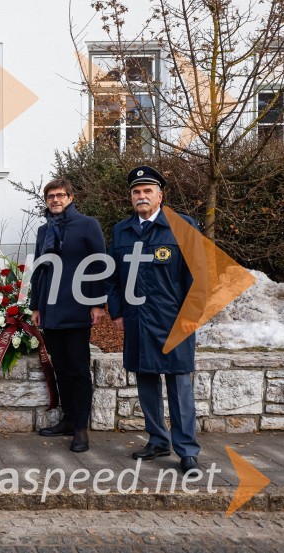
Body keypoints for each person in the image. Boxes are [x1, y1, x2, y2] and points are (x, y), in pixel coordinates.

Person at [107, 165, 201, 473]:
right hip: (137, 320)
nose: (141, 196)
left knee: (179, 385)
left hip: (174, 319)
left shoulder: (182, 226)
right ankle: (158, 440)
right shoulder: (121, 231)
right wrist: (117, 311)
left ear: (160, 196)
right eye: (136, 192)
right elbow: (113, 277)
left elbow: (199, 276)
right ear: (131, 197)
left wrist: (191, 315)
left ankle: (187, 451)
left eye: (148, 191)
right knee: (146, 382)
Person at [30, 178, 106, 453]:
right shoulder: (44, 230)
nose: (56, 200)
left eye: (61, 195)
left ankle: (81, 429)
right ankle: (69, 419)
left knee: (78, 369)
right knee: (60, 367)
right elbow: (39, 269)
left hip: (77, 307)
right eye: (51, 196)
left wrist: (97, 303)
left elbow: (100, 264)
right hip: (50, 310)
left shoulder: (88, 225)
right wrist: (36, 306)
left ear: (71, 198)